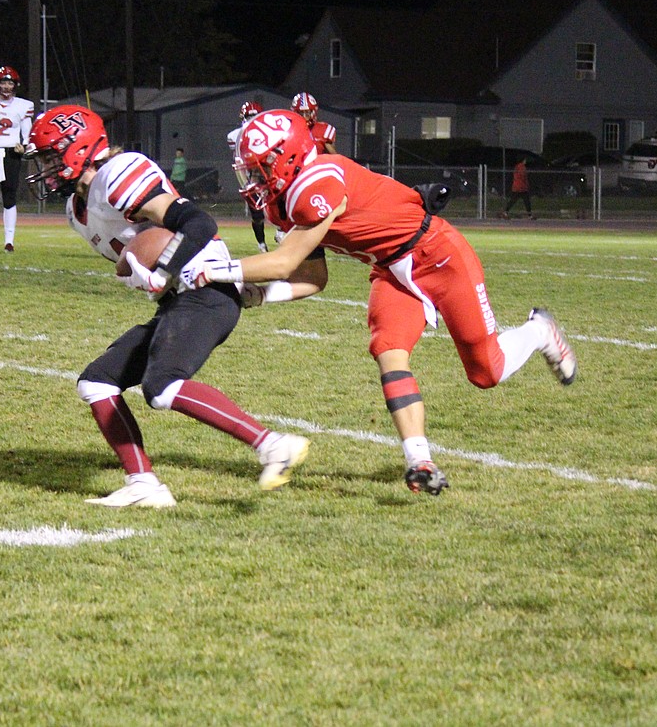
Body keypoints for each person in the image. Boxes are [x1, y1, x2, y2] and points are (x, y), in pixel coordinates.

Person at [194, 109, 577, 496]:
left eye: (260, 169)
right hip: (391, 269)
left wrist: (217, 269)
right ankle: (420, 461)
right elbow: (312, 279)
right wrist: (260, 295)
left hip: (438, 256)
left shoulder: (319, 181)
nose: (255, 181)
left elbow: (284, 261)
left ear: (288, 156)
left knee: (486, 372)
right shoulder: (285, 202)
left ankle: (539, 330)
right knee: (388, 349)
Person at [24, 105, 312, 508]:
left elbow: (198, 224)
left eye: (51, 156)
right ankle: (144, 484)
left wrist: (160, 268)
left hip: (208, 287)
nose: (46, 168)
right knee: (97, 382)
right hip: (178, 300)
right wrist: (140, 274)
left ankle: (273, 445)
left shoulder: (118, 174)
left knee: (162, 386)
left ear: (78, 148)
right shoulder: (78, 210)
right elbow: (134, 256)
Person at [0, 66, 33, 253]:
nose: (7, 86)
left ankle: (9, 241)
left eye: (10, 82)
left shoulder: (23, 106)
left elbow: (27, 134)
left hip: (11, 153)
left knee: (9, 197)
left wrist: (23, 146)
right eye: (3, 82)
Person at [227, 100, 269, 252]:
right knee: (257, 215)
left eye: (255, 116)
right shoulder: (235, 136)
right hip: (251, 175)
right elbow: (239, 160)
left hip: (269, 173)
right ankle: (262, 244)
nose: (252, 119)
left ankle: (280, 232)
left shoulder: (269, 132)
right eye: (249, 116)